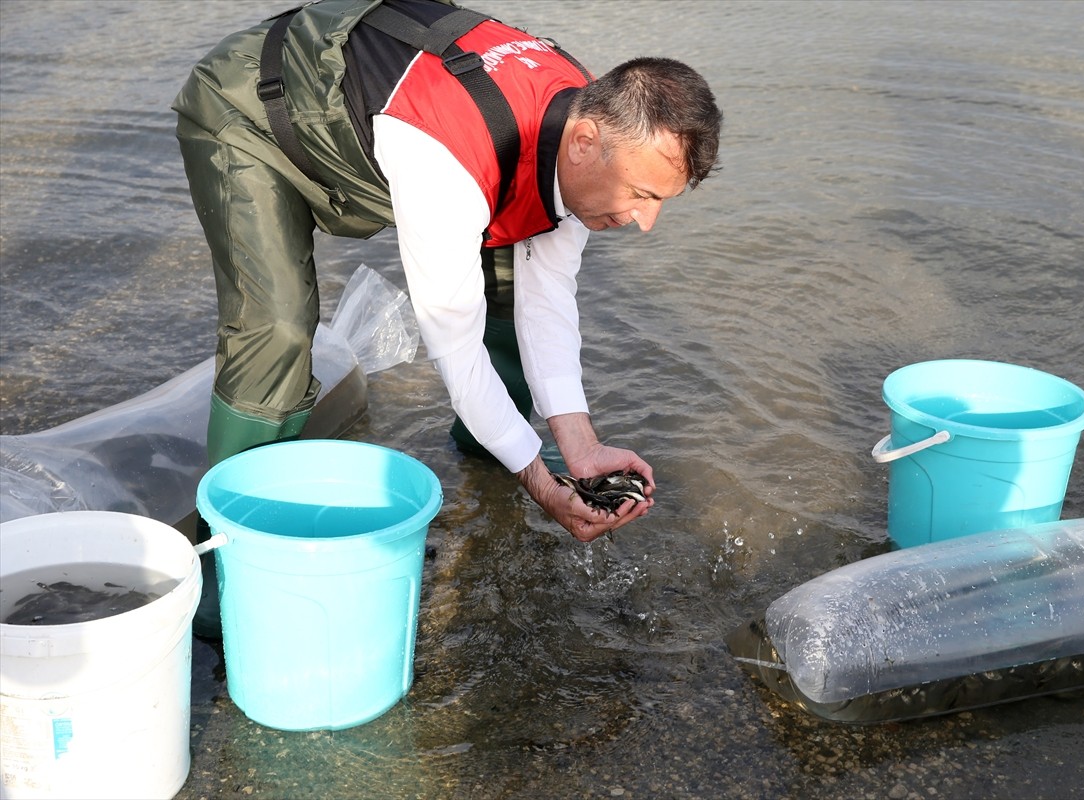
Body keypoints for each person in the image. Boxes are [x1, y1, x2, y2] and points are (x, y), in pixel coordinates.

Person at [174, 0, 721, 562]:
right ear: (583, 143)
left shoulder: (589, 121)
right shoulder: (450, 154)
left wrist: (580, 447)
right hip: (253, 108)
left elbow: (548, 301)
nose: (646, 223)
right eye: (642, 195)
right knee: (278, 330)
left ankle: (493, 448)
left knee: (508, 291)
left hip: (381, 108)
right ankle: (228, 550)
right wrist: (539, 481)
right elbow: (452, 341)